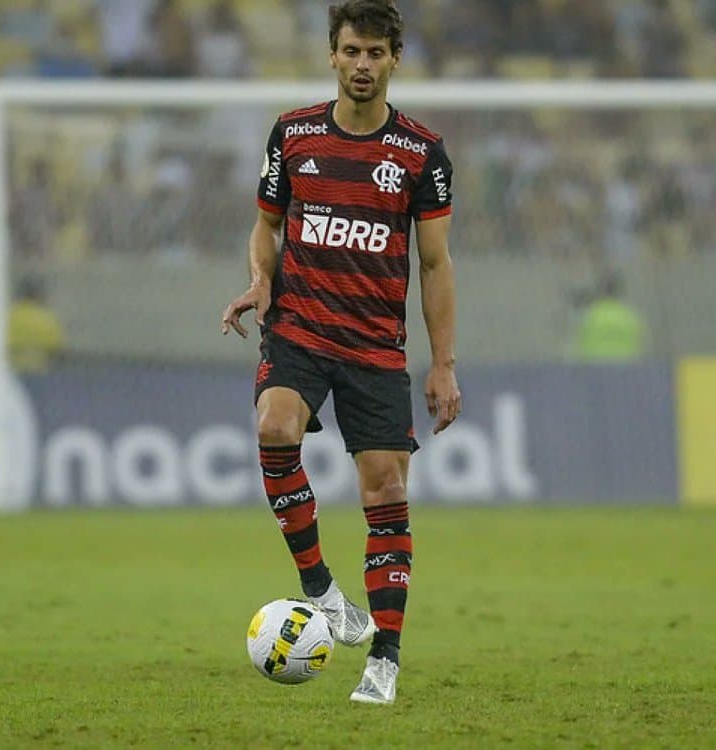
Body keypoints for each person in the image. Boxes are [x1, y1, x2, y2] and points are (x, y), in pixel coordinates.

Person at [220, 0, 459, 705]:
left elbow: (437, 265)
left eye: (375, 54)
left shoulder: (420, 153)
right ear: (332, 54)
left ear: (394, 61)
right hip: (297, 327)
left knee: (385, 492)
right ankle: (321, 589)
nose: (362, 65)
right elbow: (265, 226)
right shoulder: (293, 134)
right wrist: (261, 278)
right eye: (351, 51)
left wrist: (442, 364)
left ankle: (383, 657)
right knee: (272, 427)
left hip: (374, 347)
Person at [8, 275, 66, 372]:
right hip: (39, 371)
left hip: (12, 373)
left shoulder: (9, 316)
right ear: (40, 295)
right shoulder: (47, 318)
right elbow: (56, 349)